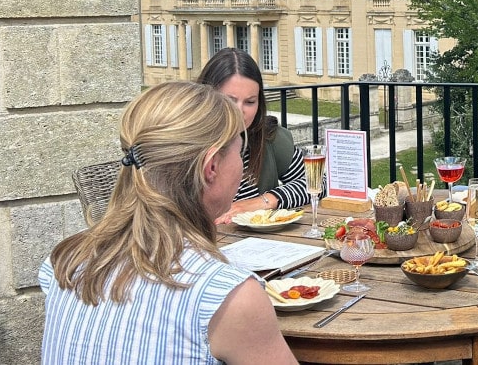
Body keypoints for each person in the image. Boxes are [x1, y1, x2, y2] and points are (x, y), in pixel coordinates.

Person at [40, 81, 295, 364]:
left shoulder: (65, 263)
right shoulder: (226, 296)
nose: (241, 163)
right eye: (238, 150)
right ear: (211, 166)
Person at [198, 47, 310, 223]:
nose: (239, 111)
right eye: (229, 100)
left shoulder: (268, 137)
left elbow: (313, 183)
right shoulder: (184, 144)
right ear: (206, 97)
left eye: (250, 102)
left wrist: (264, 201)